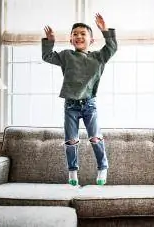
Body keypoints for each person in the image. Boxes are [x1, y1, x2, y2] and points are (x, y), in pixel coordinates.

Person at [42, 13, 117, 186]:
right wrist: (50, 41)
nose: (79, 36)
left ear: (91, 40)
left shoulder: (98, 57)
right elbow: (47, 56)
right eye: (75, 34)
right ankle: (73, 172)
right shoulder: (67, 56)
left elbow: (112, 48)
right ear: (70, 40)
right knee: (70, 141)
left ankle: (102, 167)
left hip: (89, 104)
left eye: (83, 33)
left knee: (95, 138)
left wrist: (105, 30)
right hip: (71, 105)